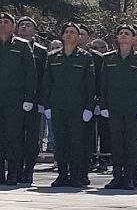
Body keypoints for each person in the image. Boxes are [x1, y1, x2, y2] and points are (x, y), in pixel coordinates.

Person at [99, 24, 137, 190]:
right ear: (117, 38)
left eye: (127, 33)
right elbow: (103, 84)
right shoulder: (107, 59)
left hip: (133, 108)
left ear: (133, 38)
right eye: (120, 33)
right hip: (114, 106)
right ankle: (117, 176)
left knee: (131, 143)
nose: (123, 35)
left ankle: (129, 177)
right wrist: (103, 105)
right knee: (116, 142)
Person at [41, 22, 96, 188]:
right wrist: (47, 106)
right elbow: (47, 82)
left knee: (76, 142)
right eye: (67, 32)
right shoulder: (53, 57)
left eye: (73, 32)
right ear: (62, 36)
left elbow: (90, 84)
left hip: (78, 107)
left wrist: (89, 107)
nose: (70, 34)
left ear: (79, 37)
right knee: (61, 142)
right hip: (58, 105)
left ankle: (76, 176)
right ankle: (62, 175)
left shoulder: (85, 57)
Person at [0, 12, 37, 185]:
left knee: (13, 135)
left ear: (13, 26)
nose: (2, 24)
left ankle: (13, 172)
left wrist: (29, 98)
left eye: (6, 21)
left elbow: (31, 74)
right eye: (0, 21)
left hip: (14, 97)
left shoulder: (22, 46)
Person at [15, 17, 46, 185]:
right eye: (21, 25)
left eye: (28, 25)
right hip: (15, 100)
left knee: (32, 138)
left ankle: (28, 170)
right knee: (15, 136)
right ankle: (16, 169)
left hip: (34, 102)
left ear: (35, 31)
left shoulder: (41, 52)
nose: (24, 28)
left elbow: (44, 77)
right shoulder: (12, 47)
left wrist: (42, 101)